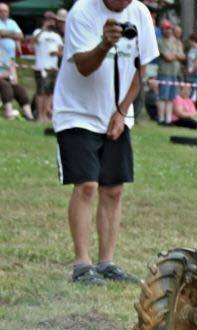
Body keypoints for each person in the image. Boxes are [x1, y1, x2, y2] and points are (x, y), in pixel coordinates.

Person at [53, 0, 158, 285]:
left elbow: (140, 69)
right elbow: (84, 67)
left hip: (116, 114)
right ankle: (82, 264)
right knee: (87, 185)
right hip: (77, 112)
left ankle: (107, 262)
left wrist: (123, 112)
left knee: (113, 190)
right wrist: (104, 45)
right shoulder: (83, 12)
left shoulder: (139, 12)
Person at [29, 12, 63, 123]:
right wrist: (43, 29)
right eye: (49, 19)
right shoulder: (38, 32)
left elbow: (60, 51)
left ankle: (46, 115)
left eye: (53, 20)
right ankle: (40, 115)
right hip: (41, 66)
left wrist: (57, 54)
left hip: (52, 67)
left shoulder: (57, 36)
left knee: (49, 92)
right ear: (44, 20)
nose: (51, 22)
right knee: (41, 91)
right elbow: (31, 43)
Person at [155, 22, 184, 125]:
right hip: (164, 72)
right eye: (166, 29)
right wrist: (176, 56)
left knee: (171, 98)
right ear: (162, 30)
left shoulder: (176, 42)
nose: (168, 31)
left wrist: (174, 55)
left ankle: (168, 119)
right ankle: (161, 119)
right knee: (163, 96)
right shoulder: (160, 42)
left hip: (174, 73)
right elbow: (168, 57)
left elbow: (182, 57)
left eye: (170, 29)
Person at [0, 46, 31, 120]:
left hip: (7, 78)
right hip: (2, 79)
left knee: (19, 90)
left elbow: (12, 66)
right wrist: (6, 75)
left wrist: (14, 78)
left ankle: (29, 115)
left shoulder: (4, 53)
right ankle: (9, 113)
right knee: (6, 86)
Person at [0, 3, 22, 68]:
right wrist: (13, 33)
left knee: (11, 77)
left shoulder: (12, 22)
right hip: (0, 56)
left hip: (11, 56)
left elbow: (20, 36)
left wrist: (5, 34)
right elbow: (1, 33)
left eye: (5, 11)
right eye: (1, 11)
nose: (3, 13)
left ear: (9, 12)